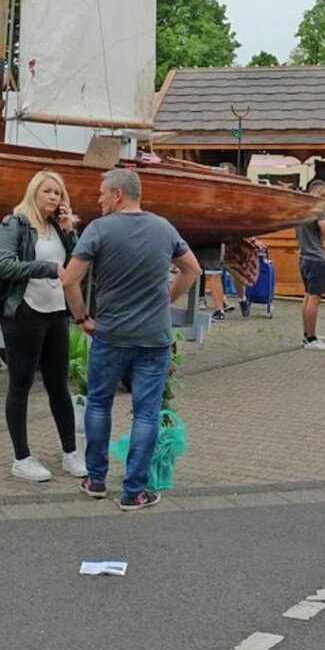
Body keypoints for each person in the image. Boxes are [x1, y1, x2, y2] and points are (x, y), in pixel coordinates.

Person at [61, 168, 201, 511]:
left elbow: (69, 280)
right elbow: (192, 269)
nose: (99, 199)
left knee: (98, 404)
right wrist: (167, 298)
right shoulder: (164, 228)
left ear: (118, 194)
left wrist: (81, 318)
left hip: (110, 334)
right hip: (154, 338)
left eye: (102, 193)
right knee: (146, 414)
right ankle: (134, 492)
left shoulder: (99, 229)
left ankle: (96, 480)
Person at [0, 170, 82, 482]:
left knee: (59, 385)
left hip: (56, 311)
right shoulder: (14, 223)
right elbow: (4, 264)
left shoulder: (57, 227)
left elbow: (76, 263)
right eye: (48, 191)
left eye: (58, 192)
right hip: (24, 311)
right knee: (21, 384)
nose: (53, 197)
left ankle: (70, 452)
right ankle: (22, 458)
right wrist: (47, 268)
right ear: (34, 193)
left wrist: (69, 231)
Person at [294, 178, 325, 349]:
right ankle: (311, 339)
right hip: (316, 257)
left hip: (304, 256)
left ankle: (307, 334)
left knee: (308, 295)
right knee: (314, 297)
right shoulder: (318, 209)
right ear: (320, 192)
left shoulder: (302, 208)